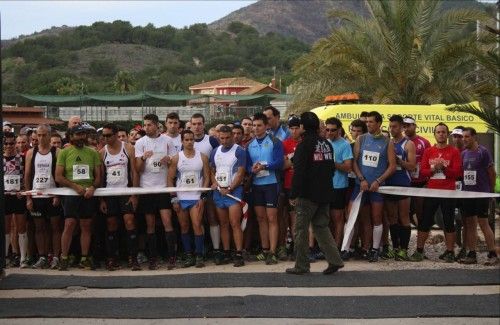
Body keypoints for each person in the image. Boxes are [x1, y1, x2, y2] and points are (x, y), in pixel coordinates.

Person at [286, 112, 344, 275]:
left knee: (301, 230)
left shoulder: (304, 146)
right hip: (325, 193)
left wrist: (293, 194)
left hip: (307, 195)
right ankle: (335, 260)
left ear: (303, 127)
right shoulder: (326, 143)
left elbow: (299, 173)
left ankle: (302, 265)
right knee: (321, 227)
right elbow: (331, 168)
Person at [410, 123, 462, 262]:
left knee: (448, 222)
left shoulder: (454, 152)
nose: (441, 134)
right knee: (425, 221)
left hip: (448, 192)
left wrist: (444, 169)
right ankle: (419, 251)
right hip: (432, 191)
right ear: (434, 134)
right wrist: (433, 170)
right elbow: (423, 171)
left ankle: (450, 251)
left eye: (443, 132)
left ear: (447, 134)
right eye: (438, 132)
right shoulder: (429, 151)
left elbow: (457, 173)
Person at [351, 111, 396, 262]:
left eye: (371, 122)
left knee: (377, 217)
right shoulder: (361, 139)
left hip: (377, 187)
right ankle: (349, 248)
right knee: (357, 217)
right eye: (367, 121)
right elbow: (354, 162)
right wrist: (361, 179)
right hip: (361, 186)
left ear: (378, 124)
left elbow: (392, 166)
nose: (368, 124)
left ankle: (375, 249)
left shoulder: (387, 142)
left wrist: (378, 181)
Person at [55, 124, 101, 270]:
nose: (81, 137)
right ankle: (64, 257)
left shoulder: (93, 152)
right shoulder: (64, 152)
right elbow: (58, 177)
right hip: (71, 194)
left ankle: (84, 258)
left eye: (83, 134)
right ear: (71, 136)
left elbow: (99, 177)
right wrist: (75, 187)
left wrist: (93, 187)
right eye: (78, 134)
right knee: (69, 224)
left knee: (86, 226)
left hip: (88, 194)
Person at [134, 113, 175, 270]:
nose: (146, 128)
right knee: (150, 225)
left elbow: (174, 163)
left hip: (163, 187)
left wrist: (169, 160)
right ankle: (153, 258)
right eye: (144, 125)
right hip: (147, 188)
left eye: (149, 125)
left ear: (157, 125)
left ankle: (171, 256)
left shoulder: (167, 141)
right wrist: (143, 158)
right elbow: (138, 169)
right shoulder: (140, 143)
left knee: (167, 222)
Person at [99, 123, 141, 271]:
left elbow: (134, 172)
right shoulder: (102, 152)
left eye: (108, 135)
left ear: (116, 134)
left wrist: (134, 194)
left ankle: (133, 257)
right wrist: (101, 199)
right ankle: (112, 257)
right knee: (111, 224)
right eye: (104, 136)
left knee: (129, 221)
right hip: (109, 193)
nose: (106, 138)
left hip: (125, 191)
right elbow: (101, 176)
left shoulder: (128, 148)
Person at [168, 130, 210, 268]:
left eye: (192, 139)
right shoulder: (176, 158)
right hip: (181, 197)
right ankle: (188, 255)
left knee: (197, 225)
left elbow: (207, 177)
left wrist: (203, 196)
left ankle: (199, 255)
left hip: (196, 197)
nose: (190, 142)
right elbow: (170, 178)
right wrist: (174, 199)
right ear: (182, 141)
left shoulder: (202, 157)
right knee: (184, 227)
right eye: (186, 140)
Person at [246, 112, 284, 264]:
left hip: (271, 184)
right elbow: (247, 165)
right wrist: (252, 169)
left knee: (272, 218)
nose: (256, 128)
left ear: (266, 126)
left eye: (259, 125)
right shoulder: (249, 144)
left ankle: (273, 252)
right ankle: (265, 249)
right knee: (261, 218)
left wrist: (265, 165)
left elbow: (279, 163)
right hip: (257, 185)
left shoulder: (275, 142)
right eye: (254, 125)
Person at [24, 125, 62, 269]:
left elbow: (59, 175)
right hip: (36, 195)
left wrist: (57, 194)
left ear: (49, 135)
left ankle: (56, 256)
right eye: (38, 135)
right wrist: (28, 197)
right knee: (39, 227)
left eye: (44, 135)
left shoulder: (57, 152)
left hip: (52, 195)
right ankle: (42, 256)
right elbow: (27, 176)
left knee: (55, 227)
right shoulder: (30, 153)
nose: (41, 138)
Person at [460, 127, 498, 265]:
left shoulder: (483, 152)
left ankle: (492, 253)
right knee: (470, 224)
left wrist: (490, 192)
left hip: (482, 193)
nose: (464, 139)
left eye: (467, 137)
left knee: (483, 223)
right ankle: (472, 254)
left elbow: (492, 173)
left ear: (474, 137)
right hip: (467, 194)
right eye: (463, 137)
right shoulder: (463, 154)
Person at [210, 126, 247, 267]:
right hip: (219, 192)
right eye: (222, 138)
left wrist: (230, 188)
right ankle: (226, 252)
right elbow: (212, 170)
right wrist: (215, 184)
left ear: (232, 136)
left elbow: (240, 173)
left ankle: (238, 253)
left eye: (227, 138)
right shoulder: (215, 151)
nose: (224, 141)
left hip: (234, 192)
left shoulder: (239, 151)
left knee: (234, 223)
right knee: (223, 224)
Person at [383, 115, 416, 261]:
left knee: (404, 217)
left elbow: (412, 166)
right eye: (390, 127)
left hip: (403, 184)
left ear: (402, 127)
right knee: (392, 218)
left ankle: (404, 249)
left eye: (394, 126)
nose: (392, 129)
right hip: (389, 184)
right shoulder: (387, 143)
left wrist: (399, 161)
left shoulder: (408, 144)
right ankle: (395, 248)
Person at [190, 113, 221, 261]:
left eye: (199, 123)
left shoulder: (212, 141)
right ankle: (200, 251)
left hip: (209, 186)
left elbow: (219, 160)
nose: (197, 126)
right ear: (190, 125)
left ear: (204, 124)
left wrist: (214, 180)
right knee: (197, 220)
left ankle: (216, 250)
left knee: (212, 217)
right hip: (191, 187)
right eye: (194, 124)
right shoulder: (187, 141)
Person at [324, 117, 353, 249]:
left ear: (339, 130)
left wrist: (332, 163)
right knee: (326, 219)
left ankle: (337, 247)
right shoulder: (323, 143)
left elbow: (348, 167)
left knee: (338, 218)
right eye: (327, 129)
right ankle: (328, 247)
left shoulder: (345, 145)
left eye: (333, 130)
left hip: (339, 186)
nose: (329, 132)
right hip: (325, 186)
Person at [3, 132, 28, 268]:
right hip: (5, 197)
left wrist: (23, 191)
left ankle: (23, 258)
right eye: (6, 143)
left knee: (21, 228)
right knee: (6, 229)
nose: (9, 146)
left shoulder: (22, 158)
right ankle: (6, 257)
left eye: (12, 143)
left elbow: (26, 176)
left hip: (19, 197)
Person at [403, 116, 431, 226]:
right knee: (406, 213)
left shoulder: (424, 142)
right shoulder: (401, 142)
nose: (406, 128)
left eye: (409, 125)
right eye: (404, 126)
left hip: (420, 182)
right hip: (405, 182)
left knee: (420, 211)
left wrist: (428, 182)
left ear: (414, 126)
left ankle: (422, 232)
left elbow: (430, 162)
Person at [281, 116, 303, 257]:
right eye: (292, 128)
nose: (294, 131)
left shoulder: (306, 143)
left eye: (297, 128)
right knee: (287, 217)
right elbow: (284, 165)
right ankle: (288, 244)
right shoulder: (285, 144)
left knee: (299, 218)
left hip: (301, 185)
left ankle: (298, 246)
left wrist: (292, 161)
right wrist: (296, 159)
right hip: (287, 184)